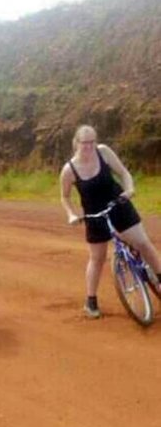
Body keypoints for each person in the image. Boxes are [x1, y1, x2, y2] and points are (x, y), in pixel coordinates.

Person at [60, 125, 161, 318]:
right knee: (97, 258)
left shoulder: (104, 152)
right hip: (94, 215)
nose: (89, 147)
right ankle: (90, 301)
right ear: (76, 143)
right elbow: (64, 197)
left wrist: (129, 189)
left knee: (142, 243)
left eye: (92, 142)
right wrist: (71, 214)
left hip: (119, 205)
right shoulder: (69, 170)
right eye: (84, 143)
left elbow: (123, 173)